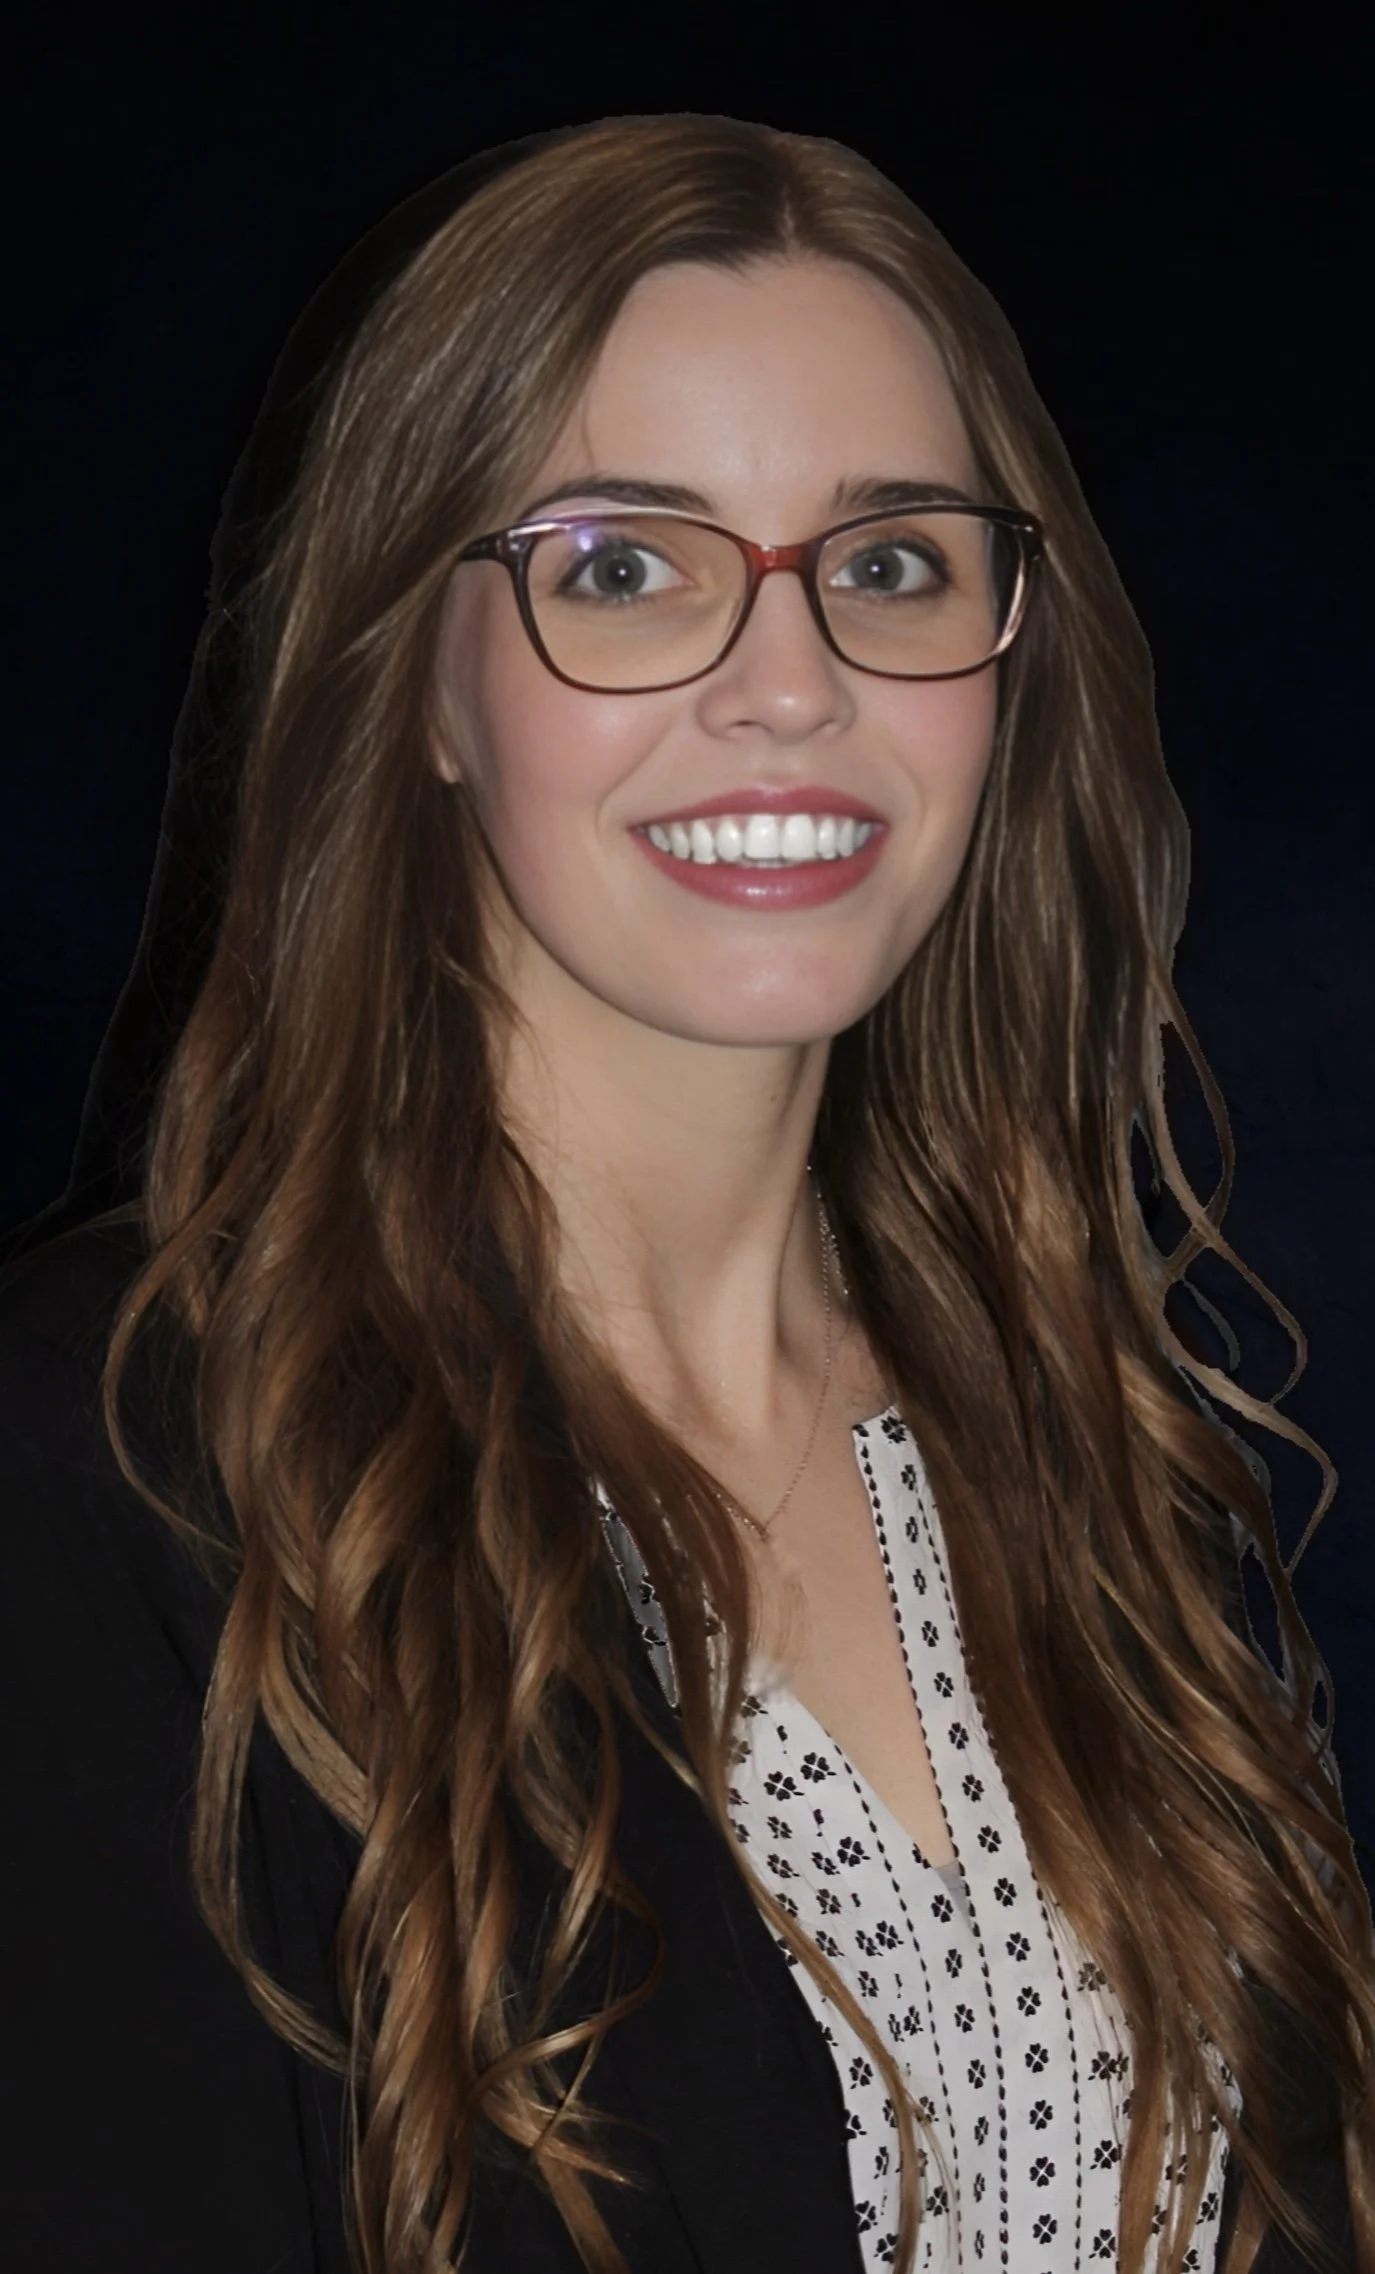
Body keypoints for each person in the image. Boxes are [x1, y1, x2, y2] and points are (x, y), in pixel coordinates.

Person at [0, 113, 1368, 2274]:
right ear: (419, 680)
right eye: (624, 568)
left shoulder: (1093, 1443)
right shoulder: (122, 1467)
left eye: (890, 562)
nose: (792, 682)